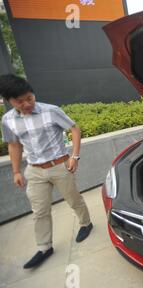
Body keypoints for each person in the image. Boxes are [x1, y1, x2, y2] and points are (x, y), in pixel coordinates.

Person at [0, 74, 93, 269]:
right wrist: (16, 171)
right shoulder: (7, 120)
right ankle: (44, 247)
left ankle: (86, 224)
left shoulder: (51, 111)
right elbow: (14, 146)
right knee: (39, 211)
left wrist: (74, 156)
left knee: (73, 199)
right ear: (9, 101)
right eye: (20, 101)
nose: (27, 103)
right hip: (34, 171)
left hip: (60, 166)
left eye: (29, 98)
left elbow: (74, 129)